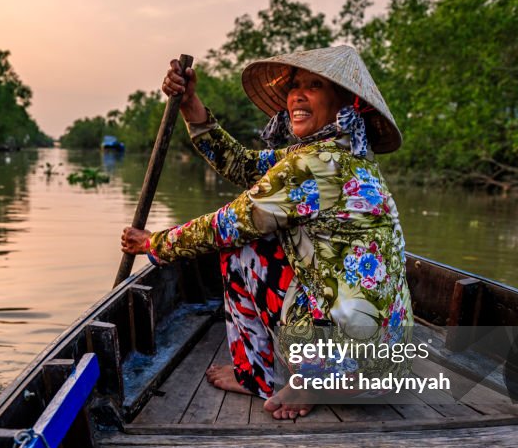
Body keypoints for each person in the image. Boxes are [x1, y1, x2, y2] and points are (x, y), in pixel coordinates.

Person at [121, 45, 412, 419]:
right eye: (294, 86)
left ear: (346, 105)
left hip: (353, 366)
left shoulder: (313, 164)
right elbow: (243, 165)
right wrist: (192, 105)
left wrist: (154, 244)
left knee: (241, 245)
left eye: (315, 85)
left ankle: (264, 375)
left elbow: (225, 225)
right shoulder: (344, 156)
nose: (297, 96)